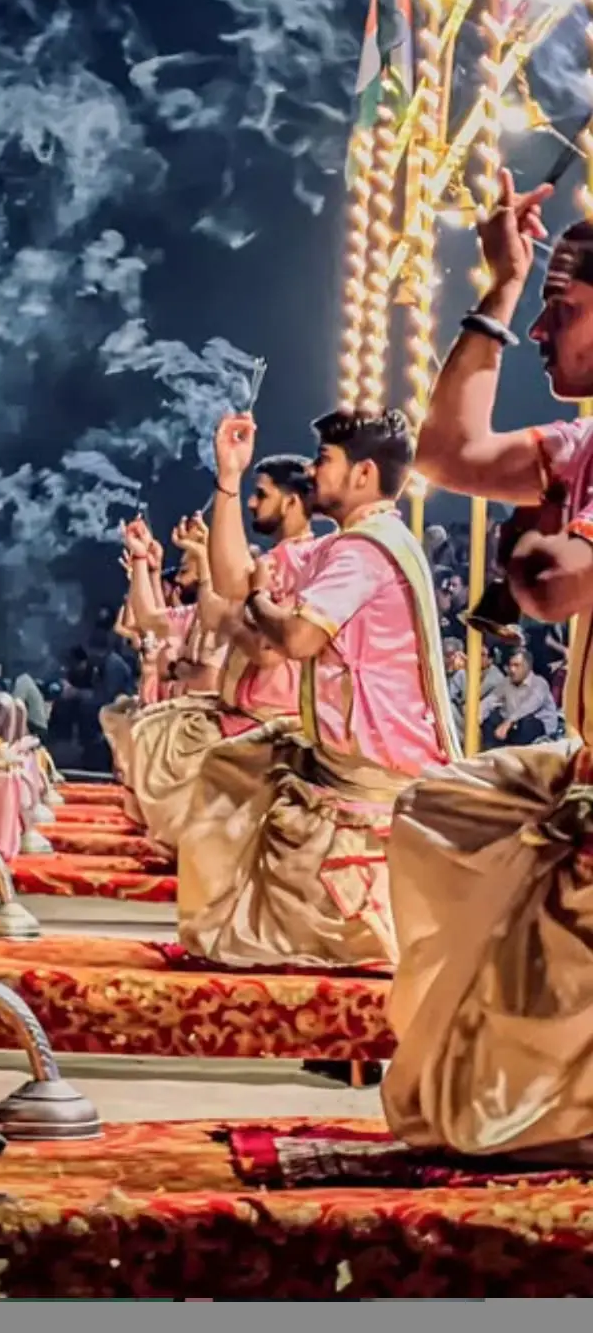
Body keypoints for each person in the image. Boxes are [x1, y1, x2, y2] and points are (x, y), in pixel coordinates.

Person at [382, 168, 593, 1163]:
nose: (541, 332)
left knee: (488, 1108)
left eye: (562, 307)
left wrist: (539, 542)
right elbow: (446, 454)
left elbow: (548, 582)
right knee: (446, 808)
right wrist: (501, 287)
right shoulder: (581, 445)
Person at [177, 408, 459, 968]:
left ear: (363, 474)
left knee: (232, 777)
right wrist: (229, 477)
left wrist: (257, 601)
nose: (312, 471)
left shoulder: (364, 552)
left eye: (324, 460)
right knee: (232, 766)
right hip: (342, 754)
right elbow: (233, 581)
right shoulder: (349, 545)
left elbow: (296, 639)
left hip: (370, 768)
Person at [102, 443, 317, 851]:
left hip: (271, 715)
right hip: (243, 710)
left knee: (156, 735)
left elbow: (262, 647)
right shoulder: (276, 561)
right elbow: (154, 620)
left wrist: (228, 483)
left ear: (291, 502)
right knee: (147, 728)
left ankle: (187, 849)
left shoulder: (301, 562)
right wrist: (145, 563)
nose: (252, 503)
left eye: (261, 494)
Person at [480, 646, 558, 748]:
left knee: (527, 722)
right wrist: (477, 714)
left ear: (527, 667)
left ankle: (517, 753)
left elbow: (529, 705)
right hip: (512, 726)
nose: (512, 670)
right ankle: (492, 752)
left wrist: (509, 722)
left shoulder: (539, 683)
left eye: (517, 665)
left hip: (537, 729)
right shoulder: (506, 682)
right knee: (491, 719)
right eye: (510, 665)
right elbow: (491, 699)